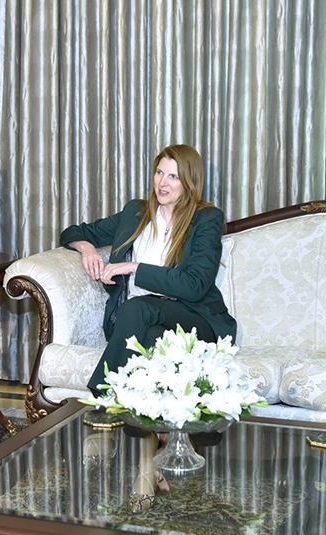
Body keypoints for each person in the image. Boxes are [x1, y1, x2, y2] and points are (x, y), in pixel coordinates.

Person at [60, 144, 237, 397]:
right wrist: (87, 248)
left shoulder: (206, 219)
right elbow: (73, 232)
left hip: (195, 318)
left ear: (189, 181)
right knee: (152, 338)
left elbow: (194, 285)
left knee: (137, 306)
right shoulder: (137, 213)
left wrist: (134, 268)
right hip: (142, 323)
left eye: (173, 177)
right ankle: (140, 421)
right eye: (159, 173)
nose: (162, 183)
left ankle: (103, 398)